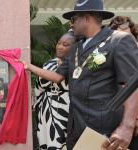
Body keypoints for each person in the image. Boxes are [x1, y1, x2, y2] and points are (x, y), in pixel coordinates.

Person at [23, 0, 138, 149]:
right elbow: (57, 76)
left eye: (74, 19)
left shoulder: (118, 41)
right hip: (76, 129)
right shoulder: (76, 48)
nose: (71, 24)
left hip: (104, 131)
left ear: (87, 18)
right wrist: (27, 66)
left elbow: (131, 85)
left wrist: (127, 126)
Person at [33, 32, 75, 150]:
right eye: (59, 43)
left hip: (66, 109)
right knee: (47, 141)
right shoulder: (49, 63)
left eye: (65, 44)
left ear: (75, 47)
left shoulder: (76, 64)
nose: (60, 47)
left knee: (64, 142)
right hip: (47, 111)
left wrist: (29, 66)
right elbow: (39, 86)